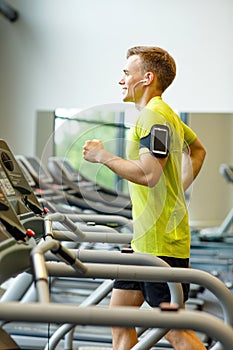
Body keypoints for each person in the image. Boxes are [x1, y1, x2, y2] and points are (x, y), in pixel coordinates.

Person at [83, 46, 206, 350]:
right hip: (144, 240)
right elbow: (198, 150)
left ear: (146, 77)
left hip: (160, 245)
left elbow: (148, 175)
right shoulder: (162, 114)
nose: (121, 80)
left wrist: (103, 156)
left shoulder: (154, 116)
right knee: (119, 317)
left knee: (173, 331)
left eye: (127, 73)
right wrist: (175, 190)